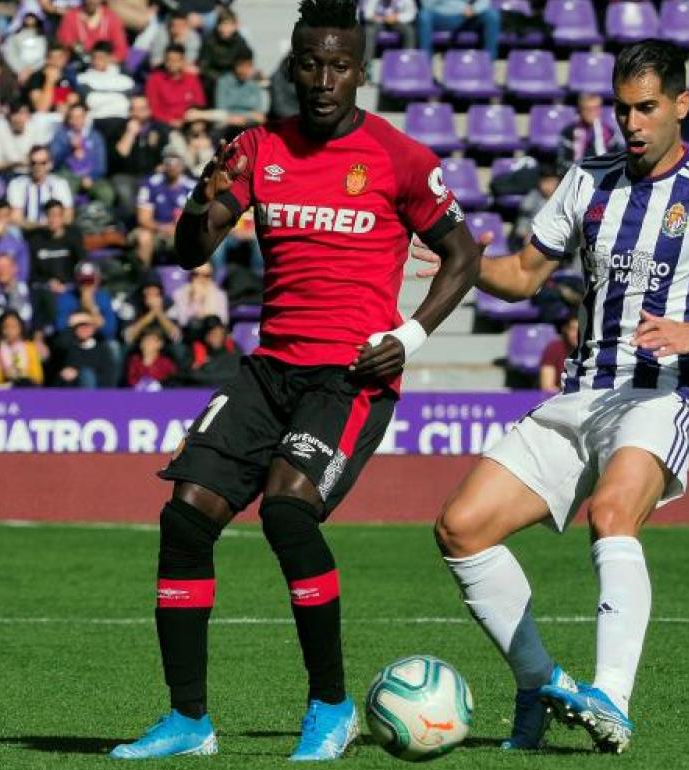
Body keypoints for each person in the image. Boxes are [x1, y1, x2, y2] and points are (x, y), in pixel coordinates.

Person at [110, 0, 481, 760]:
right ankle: (188, 721)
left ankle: (332, 706)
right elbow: (191, 252)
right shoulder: (257, 148)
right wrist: (202, 199)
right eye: (309, 63)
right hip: (269, 368)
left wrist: (406, 337)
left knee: (287, 512)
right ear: (292, 67)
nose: (322, 79)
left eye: (338, 65)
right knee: (185, 518)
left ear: (361, 71)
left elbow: (464, 256)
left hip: (347, 380)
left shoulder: (400, 158)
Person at [421, 40, 689, 754]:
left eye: (647, 108)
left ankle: (612, 702)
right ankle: (538, 682)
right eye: (623, 109)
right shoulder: (588, 180)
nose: (632, 123)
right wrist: (458, 262)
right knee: (461, 527)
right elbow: (528, 274)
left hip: (656, 395)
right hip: (580, 396)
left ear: (680, 106)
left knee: (612, 512)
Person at [134, 152, 195, 268]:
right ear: (163, 165)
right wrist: (163, 228)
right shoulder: (150, 184)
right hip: (154, 230)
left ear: (183, 166)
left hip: (181, 232)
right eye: (169, 163)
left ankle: (194, 278)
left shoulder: (192, 187)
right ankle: (145, 277)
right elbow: (143, 219)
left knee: (197, 239)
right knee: (143, 237)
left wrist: (178, 229)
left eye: (176, 163)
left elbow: (197, 218)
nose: (172, 167)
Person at [49, 103, 116, 207]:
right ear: (69, 119)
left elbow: (101, 165)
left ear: (85, 118)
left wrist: (91, 177)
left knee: (106, 193)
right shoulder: (61, 136)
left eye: (80, 116)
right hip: (68, 175)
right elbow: (54, 162)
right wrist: (69, 149)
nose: (77, 120)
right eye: (73, 117)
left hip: (90, 175)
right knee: (65, 190)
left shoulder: (95, 137)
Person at [75, 41, 135, 143]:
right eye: (95, 57)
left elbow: (127, 104)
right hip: (96, 121)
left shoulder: (125, 80)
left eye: (101, 57)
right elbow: (91, 102)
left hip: (121, 121)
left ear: (110, 58)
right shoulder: (83, 79)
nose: (97, 61)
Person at [555, 92, 625, 176]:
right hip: (576, 177)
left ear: (599, 110)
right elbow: (562, 162)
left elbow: (617, 160)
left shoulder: (609, 132)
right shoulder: (568, 132)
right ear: (580, 110)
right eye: (587, 109)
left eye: (595, 109)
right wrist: (585, 171)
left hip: (603, 177)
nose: (591, 113)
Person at [7, 145, 74, 231]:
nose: (38, 167)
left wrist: (51, 226)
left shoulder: (59, 184)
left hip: (52, 231)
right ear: (29, 164)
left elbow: (68, 216)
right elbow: (15, 218)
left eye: (43, 163)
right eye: (34, 163)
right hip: (26, 231)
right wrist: (38, 227)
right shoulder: (17, 184)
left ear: (50, 164)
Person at [26, 199, 86, 290]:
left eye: (56, 216)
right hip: (46, 288)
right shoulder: (35, 240)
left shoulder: (73, 237)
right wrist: (47, 282)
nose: (53, 220)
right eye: (49, 215)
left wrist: (68, 285)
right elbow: (32, 272)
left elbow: (82, 264)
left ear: (62, 217)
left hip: (70, 287)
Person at [144, 43, 206, 129]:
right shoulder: (155, 80)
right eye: (168, 60)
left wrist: (186, 119)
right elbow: (154, 109)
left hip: (188, 122)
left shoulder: (192, 79)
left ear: (183, 61)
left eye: (176, 60)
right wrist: (170, 121)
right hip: (164, 124)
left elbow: (199, 103)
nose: (172, 64)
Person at [0, 100, 55, 175]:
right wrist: (16, 164)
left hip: (33, 172)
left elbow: (42, 155)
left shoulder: (34, 127)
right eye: (15, 114)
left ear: (28, 115)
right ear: (8, 116)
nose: (19, 119)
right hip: (7, 173)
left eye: (23, 114)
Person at [54, 260, 118, 341]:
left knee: (112, 345)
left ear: (97, 280)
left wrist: (91, 308)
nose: (86, 285)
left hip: (98, 340)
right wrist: (93, 320)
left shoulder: (103, 297)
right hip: (73, 341)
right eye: (83, 281)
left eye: (90, 281)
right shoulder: (66, 297)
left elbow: (109, 331)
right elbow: (60, 327)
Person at [417, 0, 500, 61]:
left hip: (467, 16)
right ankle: (425, 68)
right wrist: (457, 7)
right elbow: (427, 4)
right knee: (424, 16)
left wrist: (474, 9)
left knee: (492, 16)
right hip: (439, 16)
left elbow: (484, 2)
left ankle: (488, 67)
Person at [0, 309, 43, 386]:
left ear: (20, 328)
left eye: (13, 327)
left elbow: (38, 377)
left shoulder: (30, 347)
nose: (9, 331)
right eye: (6, 327)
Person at [56, 310, 117, 387]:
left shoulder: (103, 350)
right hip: (69, 392)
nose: (83, 328)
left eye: (87, 325)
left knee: (87, 375)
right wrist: (70, 325)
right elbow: (60, 345)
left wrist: (78, 375)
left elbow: (108, 378)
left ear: (93, 328)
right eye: (79, 325)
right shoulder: (69, 348)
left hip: (94, 394)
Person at [56, 0, 129, 63]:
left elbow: (121, 50)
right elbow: (64, 43)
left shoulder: (111, 18)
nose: (92, 1)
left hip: (106, 66)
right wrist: (73, 46)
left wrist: (104, 61)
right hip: (78, 63)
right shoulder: (71, 16)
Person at [123, 274, 182, 346]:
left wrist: (158, 312)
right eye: (147, 288)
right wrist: (150, 315)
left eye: (154, 289)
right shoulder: (131, 303)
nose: (151, 292)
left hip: (163, 345)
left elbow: (176, 337)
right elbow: (127, 337)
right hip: (138, 344)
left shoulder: (169, 303)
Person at [213, 50, 267, 128]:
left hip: (250, 124)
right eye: (241, 66)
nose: (244, 70)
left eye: (248, 66)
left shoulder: (254, 83)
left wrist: (244, 118)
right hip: (228, 125)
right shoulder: (223, 82)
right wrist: (246, 116)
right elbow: (221, 110)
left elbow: (259, 113)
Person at [169, 263, 227, 334]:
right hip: (187, 336)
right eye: (196, 274)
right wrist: (193, 299)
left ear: (211, 277)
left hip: (209, 336)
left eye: (206, 275)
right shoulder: (181, 293)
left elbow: (223, 321)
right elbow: (182, 321)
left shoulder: (219, 295)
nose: (200, 278)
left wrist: (203, 302)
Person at [361, 0, 415, 66]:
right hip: (380, 22)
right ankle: (366, 65)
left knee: (409, 30)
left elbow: (411, 15)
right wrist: (381, 18)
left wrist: (397, 18)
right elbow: (367, 14)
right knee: (369, 30)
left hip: (398, 22)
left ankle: (408, 62)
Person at [538, 315, 578, 393]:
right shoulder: (554, 348)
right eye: (573, 329)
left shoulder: (593, 350)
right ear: (566, 330)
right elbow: (547, 387)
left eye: (580, 330)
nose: (577, 334)